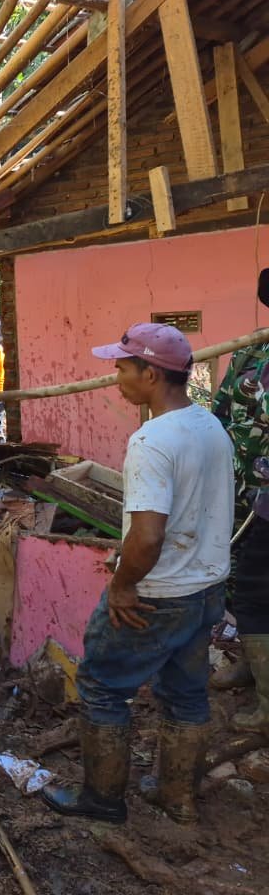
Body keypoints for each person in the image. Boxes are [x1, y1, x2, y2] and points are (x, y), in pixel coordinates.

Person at [42, 323, 233, 826]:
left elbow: (148, 536)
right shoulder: (209, 425)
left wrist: (123, 584)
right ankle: (177, 796)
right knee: (186, 692)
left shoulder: (151, 440)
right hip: (205, 586)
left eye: (123, 368)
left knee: (103, 686)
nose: (116, 377)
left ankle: (103, 800)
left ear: (150, 373)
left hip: (157, 593)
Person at [210, 267, 269, 730]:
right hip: (243, 488)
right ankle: (253, 666)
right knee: (243, 583)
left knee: (256, 588)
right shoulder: (253, 348)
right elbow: (222, 409)